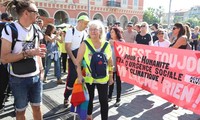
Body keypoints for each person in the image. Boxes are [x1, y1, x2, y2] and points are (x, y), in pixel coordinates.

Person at [1, 0, 46, 119]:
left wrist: (41, 69)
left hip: (36, 77)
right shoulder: (10, 29)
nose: (38, 15)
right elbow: (4, 58)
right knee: (20, 111)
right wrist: (28, 53)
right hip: (18, 79)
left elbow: (37, 52)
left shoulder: (36, 29)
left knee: (37, 108)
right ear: (26, 13)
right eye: (36, 12)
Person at [76, 20, 113, 120]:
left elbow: (110, 62)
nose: (92, 31)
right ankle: (89, 117)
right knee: (89, 100)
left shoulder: (106, 44)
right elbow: (77, 62)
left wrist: (111, 76)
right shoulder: (85, 44)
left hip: (103, 78)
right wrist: (79, 75)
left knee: (104, 101)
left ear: (100, 31)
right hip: (89, 78)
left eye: (95, 29)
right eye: (90, 29)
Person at [63, 15, 89, 107]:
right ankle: (66, 97)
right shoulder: (71, 31)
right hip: (73, 59)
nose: (86, 26)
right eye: (86, 23)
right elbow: (67, 47)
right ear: (80, 22)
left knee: (81, 79)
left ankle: (78, 98)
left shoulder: (85, 33)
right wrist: (74, 60)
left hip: (82, 60)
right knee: (71, 78)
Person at [169, 23, 187, 110]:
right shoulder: (177, 38)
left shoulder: (183, 37)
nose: (172, 30)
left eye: (174, 28)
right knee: (174, 82)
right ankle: (174, 99)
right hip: (175, 62)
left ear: (179, 29)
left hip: (180, 64)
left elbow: (173, 48)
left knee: (178, 83)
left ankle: (177, 102)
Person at [108, 27, 124, 107]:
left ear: (117, 33)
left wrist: (114, 42)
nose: (111, 34)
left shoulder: (121, 41)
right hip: (111, 65)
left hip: (119, 66)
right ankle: (109, 96)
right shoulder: (109, 42)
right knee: (110, 81)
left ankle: (118, 98)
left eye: (112, 32)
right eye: (110, 32)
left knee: (118, 83)